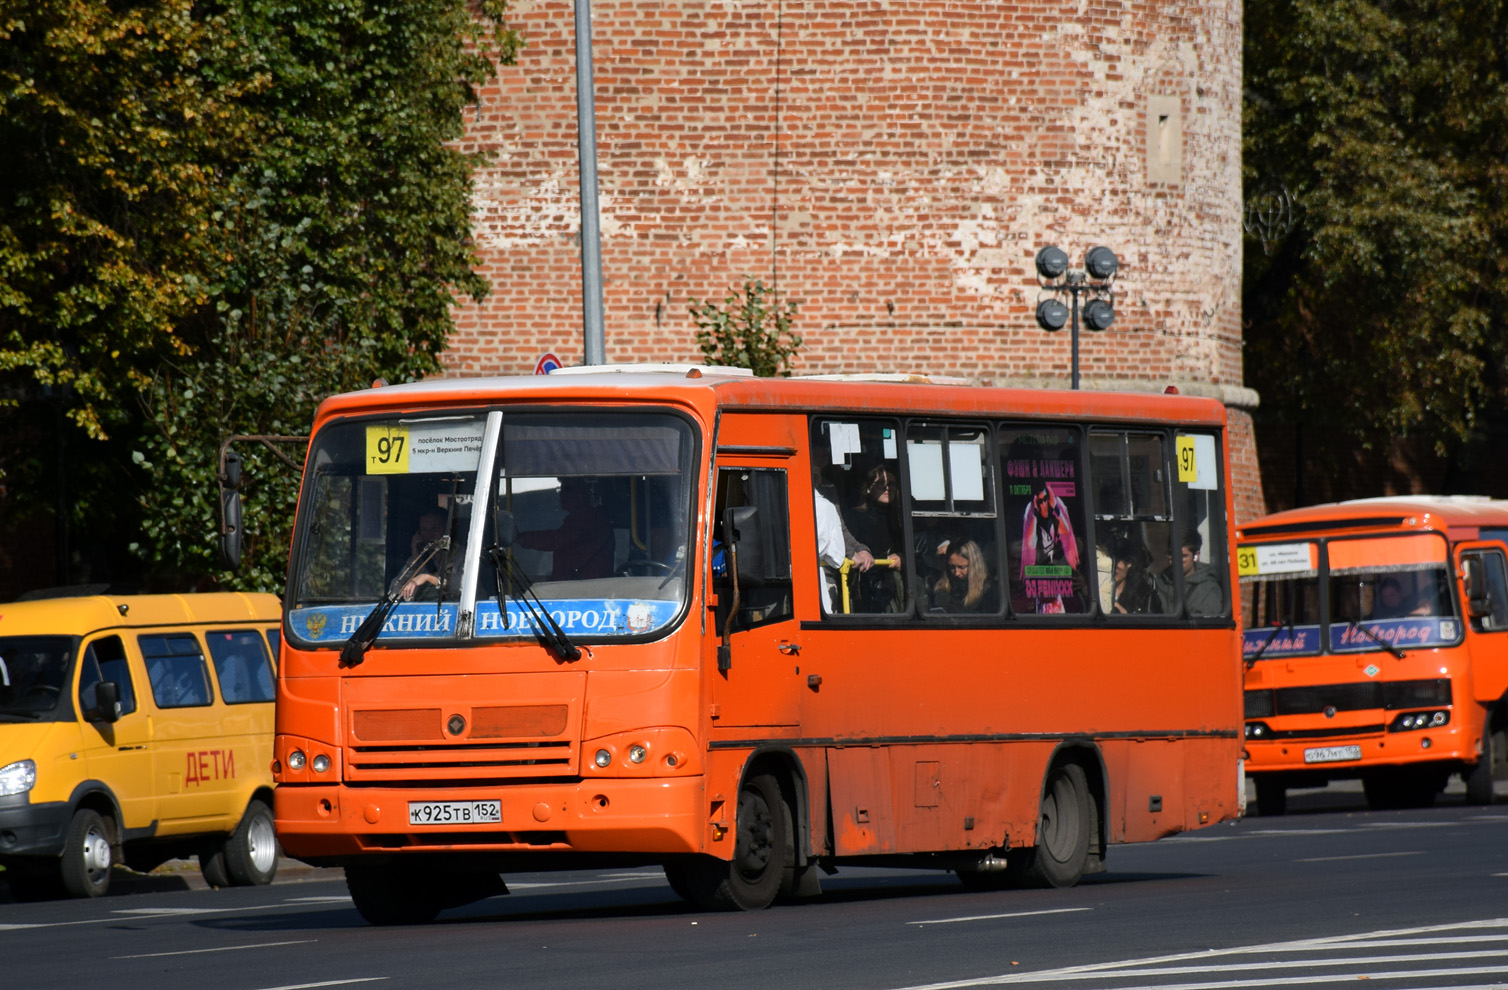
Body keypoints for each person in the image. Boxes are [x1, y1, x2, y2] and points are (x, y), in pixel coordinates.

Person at [515, 477, 616, 582]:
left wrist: (521, 539)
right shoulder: (590, 518)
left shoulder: (587, 519)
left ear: (581, 494)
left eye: (567, 489)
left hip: (581, 591)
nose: (561, 494)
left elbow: (556, 540)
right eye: (561, 489)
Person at [844, 465, 905, 612]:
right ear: (868, 487)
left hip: (896, 587)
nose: (887, 488)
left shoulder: (901, 517)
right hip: (865, 585)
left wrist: (903, 558)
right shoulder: (855, 517)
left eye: (891, 484)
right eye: (880, 484)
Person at [1158, 529, 1221, 616]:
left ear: (1196, 556)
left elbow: (1210, 625)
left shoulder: (1207, 590)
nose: (1176, 560)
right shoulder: (1158, 584)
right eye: (1171, 554)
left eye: (1183, 556)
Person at [932, 539, 998, 613]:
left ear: (974, 566)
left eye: (962, 567)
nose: (957, 573)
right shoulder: (944, 589)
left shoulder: (990, 591)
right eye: (952, 567)